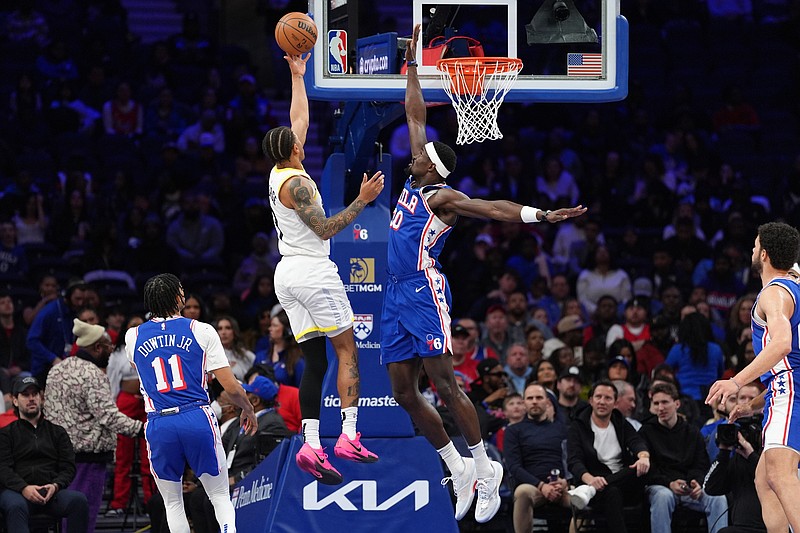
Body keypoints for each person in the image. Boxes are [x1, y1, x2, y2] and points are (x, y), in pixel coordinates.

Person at [381, 24, 586, 525]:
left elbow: (493, 209)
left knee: (445, 385)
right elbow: (414, 112)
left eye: (420, 155)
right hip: (394, 295)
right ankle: (456, 465)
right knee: (403, 392)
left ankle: (482, 464)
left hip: (424, 290)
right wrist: (411, 64)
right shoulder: (416, 178)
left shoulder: (443, 197)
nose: (413, 153)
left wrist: (540, 215)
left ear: (432, 167)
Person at [262, 53, 384, 486]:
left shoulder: (280, 171)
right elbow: (328, 227)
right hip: (313, 271)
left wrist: (297, 76)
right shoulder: (297, 184)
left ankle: (311, 443)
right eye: (298, 140)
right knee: (348, 351)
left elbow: (298, 119)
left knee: (314, 360)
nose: (302, 137)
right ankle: (349, 435)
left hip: (287, 275)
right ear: (294, 151)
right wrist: (363, 199)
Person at [126, 273, 258, 533]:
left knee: (172, 502)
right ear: (178, 298)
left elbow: (141, 368)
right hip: (195, 415)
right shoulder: (202, 329)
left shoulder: (133, 336)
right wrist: (247, 407)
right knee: (219, 496)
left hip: (159, 420)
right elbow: (231, 387)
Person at [706, 222, 800, 533]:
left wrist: (735, 382)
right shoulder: (795, 289)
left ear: (765, 254)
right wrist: (752, 405)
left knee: (779, 473)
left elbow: (782, 345)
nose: (752, 249)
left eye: (755, 244)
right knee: (764, 477)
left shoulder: (773, 293)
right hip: (786, 392)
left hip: (791, 395)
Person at [45, 319, 143, 533]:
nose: (111, 350)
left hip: (58, 458)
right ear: (97, 347)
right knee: (83, 516)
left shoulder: (57, 370)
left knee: (63, 516)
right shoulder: (93, 374)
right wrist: (143, 429)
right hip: (88, 458)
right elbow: (108, 416)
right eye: (108, 346)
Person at [191, 376, 290, 533]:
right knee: (196, 496)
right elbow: (220, 451)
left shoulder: (272, 423)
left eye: (247, 393)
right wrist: (200, 481)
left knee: (209, 501)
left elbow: (268, 464)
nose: (241, 395)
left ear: (255, 400)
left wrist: (236, 479)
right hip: (227, 478)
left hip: (250, 482)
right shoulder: (240, 421)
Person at [0, 377, 89, 533]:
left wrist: (55, 486)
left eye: (35, 394)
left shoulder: (57, 432)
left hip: (50, 492)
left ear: (41, 399)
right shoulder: (6, 434)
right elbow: (3, 469)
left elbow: (68, 467)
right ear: (15, 400)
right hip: (18, 492)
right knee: (15, 506)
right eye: (25, 395)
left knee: (78, 501)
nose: (31, 398)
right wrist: (24, 488)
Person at [566, 380, 651, 533]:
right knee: (612, 492)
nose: (602, 402)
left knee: (642, 469)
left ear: (615, 402)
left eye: (608, 398)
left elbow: (636, 441)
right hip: (594, 480)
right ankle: (591, 488)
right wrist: (590, 480)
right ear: (591, 400)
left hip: (622, 479)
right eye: (598, 397)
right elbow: (574, 461)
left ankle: (588, 490)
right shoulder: (578, 426)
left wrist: (643, 456)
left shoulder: (620, 422)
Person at [642, 382, 728, 533]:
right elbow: (649, 470)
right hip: (661, 486)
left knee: (718, 498)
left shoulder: (692, 432)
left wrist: (697, 482)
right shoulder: (646, 431)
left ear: (677, 404)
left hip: (688, 487)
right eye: (656, 403)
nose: (660, 407)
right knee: (663, 496)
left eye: (665, 402)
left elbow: (701, 464)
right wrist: (669, 483)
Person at [503, 383, 571, 533]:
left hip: (562, 486)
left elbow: (573, 460)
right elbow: (514, 467)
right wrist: (541, 486)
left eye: (539, 397)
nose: (534, 401)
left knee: (583, 495)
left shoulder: (563, 430)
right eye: (530, 398)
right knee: (521, 493)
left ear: (547, 402)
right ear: (524, 403)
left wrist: (565, 482)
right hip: (533, 487)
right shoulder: (514, 431)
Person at [703, 414, 767, 533]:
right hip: (740, 528)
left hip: (772, 528)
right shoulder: (738, 459)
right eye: (742, 398)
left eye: (750, 398)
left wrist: (752, 456)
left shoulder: (777, 454)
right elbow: (711, 488)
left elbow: (773, 479)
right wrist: (724, 453)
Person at [26, 278, 87, 382]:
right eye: (77, 299)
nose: (80, 303)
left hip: (67, 368)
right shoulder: (49, 311)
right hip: (44, 369)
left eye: (83, 299)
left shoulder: (77, 312)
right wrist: (52, 358)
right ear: (68, 296)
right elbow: (31, 340)